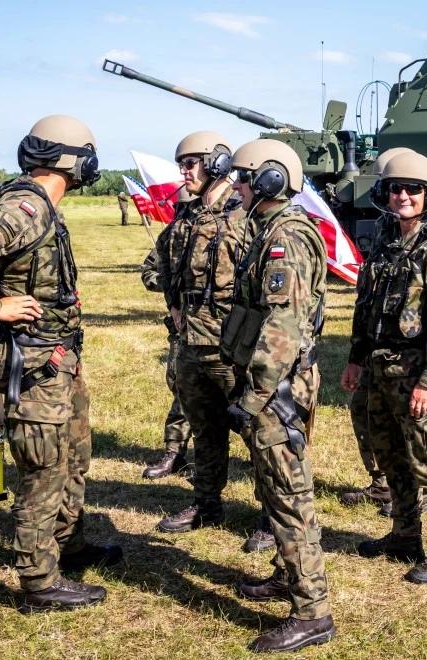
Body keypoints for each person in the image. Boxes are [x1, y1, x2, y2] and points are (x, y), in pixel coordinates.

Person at [0, 115, 122, 612]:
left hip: (56, 360)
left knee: (74, 457)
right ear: (79, 161)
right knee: (44, 468)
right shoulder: (26, 206)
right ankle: (39, 583)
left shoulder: (40, 205)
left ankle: (68, 547)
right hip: (34, 363)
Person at [221, 139, 335, 652]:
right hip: (270, 385)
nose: (236, 186)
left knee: (290, 499)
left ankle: (312, 613)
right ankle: (288, 578)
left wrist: (254, 396)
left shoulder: (286, 237)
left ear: (269, 180)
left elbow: (283, 325)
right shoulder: (266, 230)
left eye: (243, 178)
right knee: (275, 492)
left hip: (276, 389)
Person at [341, 150, 427, 584]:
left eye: (413, 189)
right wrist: (357, 359)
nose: (403, 196)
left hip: (417, 376)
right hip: (380, 370)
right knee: (390, 456)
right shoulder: (384, 237)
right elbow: (366, 306)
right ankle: (403, 534)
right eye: (395, 188)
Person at [152, 131, 246, 535]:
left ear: (218, 165)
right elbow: (163, 264)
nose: (184, 171)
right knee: (205, 428)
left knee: (258, 431)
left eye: (192, 163)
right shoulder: (186, 216)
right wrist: (174, 304)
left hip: (230, 345)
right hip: (191, 341)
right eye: (182, 164)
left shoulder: (245, 214)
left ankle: (268, 517)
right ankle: (207, 503)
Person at [338, 146, 414, 516]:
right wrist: (356, 356)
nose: (393, 197)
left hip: (405, 355)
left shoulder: (423, 238)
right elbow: (366, 298)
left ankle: (411, 493)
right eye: (389, 189)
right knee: (364, 411)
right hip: (374, 348)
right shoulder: (385, 229)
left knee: (408, 428)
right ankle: (382, 483)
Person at [139, 247, 193, 479]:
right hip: (185, 329)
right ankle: (175, 452)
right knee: (182, 388)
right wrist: (175, 286)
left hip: (227, 327)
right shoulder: (178, 232)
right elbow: (149, 271)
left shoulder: (238, 225)